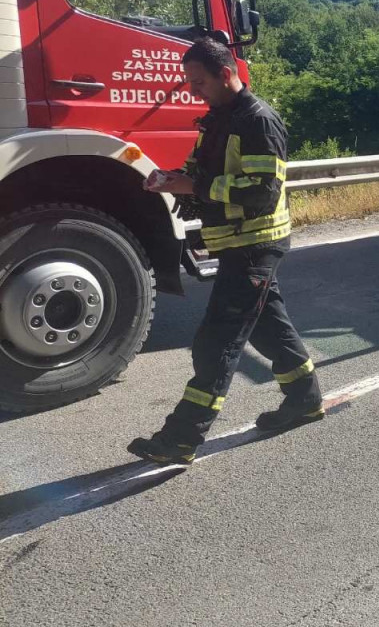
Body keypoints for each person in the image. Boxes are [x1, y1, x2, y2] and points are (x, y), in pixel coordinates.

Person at [129, 37, 322, 466]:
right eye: (189, 83)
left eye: (199, 82)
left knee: (216, 342)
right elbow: (201, 173)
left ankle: (180, 439)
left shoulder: (258, 121)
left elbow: (261, 193)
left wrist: (193, 187)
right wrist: (171, 178)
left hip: (255, 244)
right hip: (238, 243)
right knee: (271, 329)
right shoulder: (217, 119)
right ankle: (305, 400)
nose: (193, 90)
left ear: (226, 74)